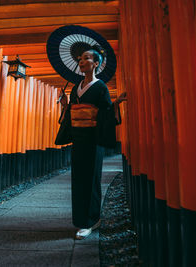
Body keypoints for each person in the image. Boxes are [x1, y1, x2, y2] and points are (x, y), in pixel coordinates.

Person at [58, 46, 126, 240]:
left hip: (92, 139)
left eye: (87, 58)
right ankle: (81, 219)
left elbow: (104, 112)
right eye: (80, 58)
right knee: (78, 179)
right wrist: (65, 105)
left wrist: (116, 104)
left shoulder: (101, 87)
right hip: (78, 139)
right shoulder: (75, 88)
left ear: (96, 64)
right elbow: (71, 113)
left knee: (90, 179)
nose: (82, 61)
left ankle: (90, 220)